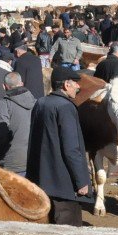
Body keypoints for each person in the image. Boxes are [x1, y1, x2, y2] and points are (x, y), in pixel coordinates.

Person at [27, 66, 92, 226]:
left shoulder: (41, 103)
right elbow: (71, 149)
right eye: (75, 83)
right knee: (68, 232)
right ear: (66, 85)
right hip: (64, 185)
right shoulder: (66, 107)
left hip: (41, 180)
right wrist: (81, 181)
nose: (78, 86)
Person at [0, 72, 35, 176]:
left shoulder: (4, 103)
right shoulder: (36, 101)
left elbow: (2, 133)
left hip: (13, 161)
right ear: (21, 83)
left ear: (4, 86)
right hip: (35, 158)